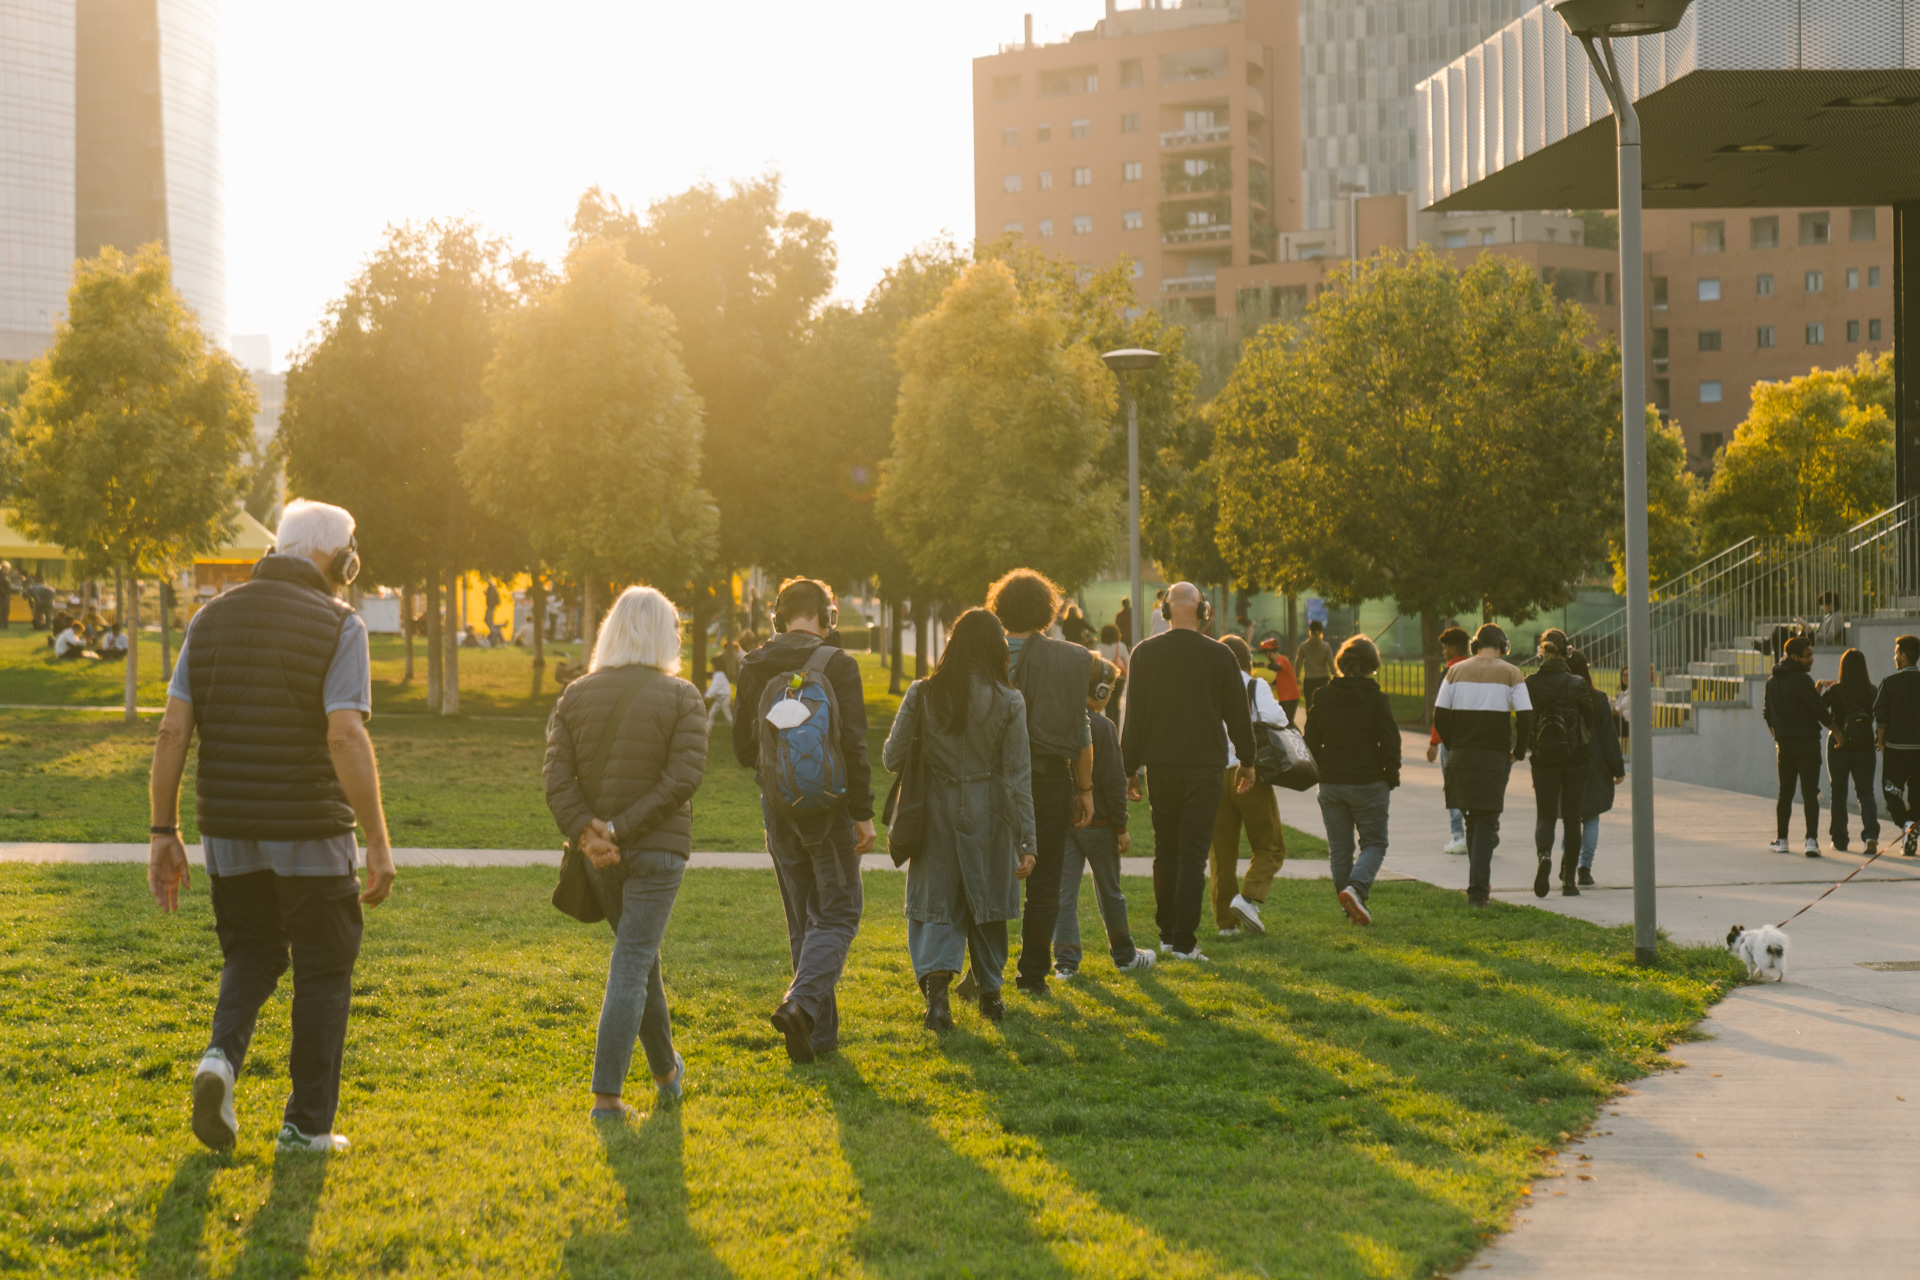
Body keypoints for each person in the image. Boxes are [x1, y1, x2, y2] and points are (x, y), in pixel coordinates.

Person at [145, 499, 395, 1155]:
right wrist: (376, 840)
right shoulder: (341, 624)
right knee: (323, 970)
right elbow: (345, 736)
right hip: (310, 827)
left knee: (252, 952)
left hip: (227, 828)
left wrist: (163, 831)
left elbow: (172, 730)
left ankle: (219, 1060)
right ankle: (305, 1129)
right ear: (340, 560)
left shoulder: (209, 618)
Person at [544, 586, 707, 1119]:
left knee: (639, 959)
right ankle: (607, 1097)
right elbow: (683, 778)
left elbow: (556, 779)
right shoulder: (683, 696)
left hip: (600, 857)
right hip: (658, 850)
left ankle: (666, 1074)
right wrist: (619, 828)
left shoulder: (574, 695)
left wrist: (589, 833)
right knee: (635, 960)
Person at [732, 577, 876, 1063]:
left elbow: (742, 750)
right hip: (830, 808)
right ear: (828, 616)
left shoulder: (753, 665)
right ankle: (801, 1006)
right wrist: (863, 814)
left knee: (802, 922)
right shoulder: (838, 664)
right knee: (838, 912)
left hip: (777, 807)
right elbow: (854, 744)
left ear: (777, 618)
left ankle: (816, 1032)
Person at [883, 608, 1037, 1028]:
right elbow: (1018, 778)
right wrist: (1028, 841)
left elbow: (891, 757)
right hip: (991, 813)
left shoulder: (923, 692)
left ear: (953, 644)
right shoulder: (1011, 700)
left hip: (934, 813)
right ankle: (991, 997)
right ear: (996, 648)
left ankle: (937, 1001)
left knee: (937, 904)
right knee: (987, 904)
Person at [1120, 582, 1257, 961]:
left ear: (1165, 611)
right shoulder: (1221, 654)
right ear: (1203, 611)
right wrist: (1247, 760)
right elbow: (1238, 714)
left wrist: (1129, 768)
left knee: (1166, 851)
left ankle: (1168, 935)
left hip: (1161, 767)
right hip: (1204, 767)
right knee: (1193, 854)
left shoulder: (1144, 653)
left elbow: (1134, 718)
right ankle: (1183, 943)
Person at [983, 569, 1095, 996]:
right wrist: (1085, 789)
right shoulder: (1069, 658)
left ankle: (983, 971)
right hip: (1048, 778)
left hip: (988, 778)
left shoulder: (981, 652)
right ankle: (1033, 976)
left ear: (998, 607)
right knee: (1045, 882)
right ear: (1049, 611)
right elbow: (1081, 730)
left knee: (986, 874)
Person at [1052, 656, 1156, 976]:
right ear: (1099, 690)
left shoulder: (1059, 721)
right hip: (1100, 825)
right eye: (1110, 688)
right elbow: (1113, 781)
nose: (1111, 693)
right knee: (1110, 892)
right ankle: (1125, 955)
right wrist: (1122, 826)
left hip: (1067, 823)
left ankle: (1066, 963)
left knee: (1064, 895)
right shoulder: (1103, 727)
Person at [1433, 624, 1533, 908]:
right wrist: (1518, 752)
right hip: (1494, 756)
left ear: (1475, 646)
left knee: (1472, 818)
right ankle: (1478, 892)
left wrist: (1454, 745)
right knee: (1486, 819)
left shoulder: (1455, 672)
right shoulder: (1512, 673)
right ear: (1504, 646)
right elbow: (1526, 717)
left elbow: (1439, 716)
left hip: (1461, 754)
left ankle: (1477, 885)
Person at [1304, 635, 1401, 925]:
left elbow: (1310, 740)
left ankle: (1349, 909)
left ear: (1341, 663)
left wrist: (1321, 770)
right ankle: (1356, 889)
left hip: (1331, 782)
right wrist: (1391, 776)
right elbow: (1390, 741)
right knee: (1375, 843)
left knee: (1340, 850)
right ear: (1373, 665)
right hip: (1368, 780)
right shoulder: (1376, 699)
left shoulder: (1322, 696)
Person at [1210, 635, 1288, 938]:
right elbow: (1276, 717)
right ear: (1248, 662)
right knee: (1270, 845)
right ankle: (1248, 897)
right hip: (1248, 772)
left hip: (1215, 776)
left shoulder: (1208, 688)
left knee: (1221, 853)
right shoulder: (1254, 685)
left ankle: (1225, 923)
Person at [1524, 629, 1595, 898]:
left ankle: (1544, 855)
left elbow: (1524, 720)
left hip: (1544, 757)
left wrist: (1530, 748)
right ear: (1567, 652)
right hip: (1576, 756)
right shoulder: (1577, 683)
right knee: (1573, 818)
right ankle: (1569, 880)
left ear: (1541, 653)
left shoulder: (1531, 683)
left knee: (1545, 815)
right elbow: (1589, 717)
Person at [1763, 633, 1827, 857]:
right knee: (1810, 793)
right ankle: (1811, 841)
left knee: (1785, 794)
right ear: (1793, 656)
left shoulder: (1772, 681)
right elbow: (1817, 710)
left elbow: (1767, 715)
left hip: (1785, 745)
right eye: (1807, 655)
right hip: (1808, 744)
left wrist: (1778, 737)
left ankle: (1782, 840)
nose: (1811, 659)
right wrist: (1838, 732)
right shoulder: (1802, 680)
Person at [1566, 650, 1625, 887]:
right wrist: (1617, 768)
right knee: (1591, 819)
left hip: (1567, 762)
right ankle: (1585, 868)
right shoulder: (1598, 698)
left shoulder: (1560, 697)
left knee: (1570, 819)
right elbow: (1609, 737)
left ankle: (1567, 864)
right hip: (1595, 763)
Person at [1821, 647, 1880, 855]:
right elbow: (1876, 715)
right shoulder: (1871, 690)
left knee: (1838, 793)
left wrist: (1818, 687)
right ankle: (1870, 836)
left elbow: (1817, 709)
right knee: (1866, 792)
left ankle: (1839, 840)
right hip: (1864, 744)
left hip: (1839, 744)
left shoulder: (1835, 690)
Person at [1424, 626, 1471, 855]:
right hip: (1474, 736)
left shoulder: (1449, 673)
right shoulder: (1476, 670)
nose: (1443, 652)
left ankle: (1458, 836)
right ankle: (1481, 830)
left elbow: (1441, 712)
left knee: (1452, 786)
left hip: (1451, 739)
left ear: (1453, 648)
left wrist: (1434, 741)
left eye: (1444, 648)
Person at [1875, 634, 1920, 857]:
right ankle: (1911, 825)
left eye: (1896, 654)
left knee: (1891, 791)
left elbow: (1881, 716)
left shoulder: (1890, 682)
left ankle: (1906, 825)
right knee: (1918, 795)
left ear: (1903, 656)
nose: (1894, 658)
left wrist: (1880, 740)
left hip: (1896, 750)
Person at [1095, 624, 1130, 726]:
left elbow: (1096, 664)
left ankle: (1110, 727)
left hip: (1104, 679)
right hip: (1119, 679)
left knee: (1108, 705)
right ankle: (1116, 728)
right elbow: (1128, 662)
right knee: (1116, 704)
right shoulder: (1121, 646)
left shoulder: (1099, 647)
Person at [1296, 619, 1334, 711]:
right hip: (1324, 680)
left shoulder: (1303, 647)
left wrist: (1297, 676)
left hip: (1309, 681)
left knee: (1310, 707)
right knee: (1324, 707)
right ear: (1321, 632)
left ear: (1310, 631)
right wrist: (1336, 676)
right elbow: (1331, 665)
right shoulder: (1326, 647)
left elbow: (1298, 664)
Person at [1261, 641, 1302, 726]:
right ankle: (1297, 734)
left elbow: (1276, 667)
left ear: (1270, 652)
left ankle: (1297, 735)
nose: (1265, 656)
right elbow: (1278, 680)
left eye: (1265, 653)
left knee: (1286, 722)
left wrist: (1261, 665)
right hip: (1287, 697)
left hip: (1290, 697)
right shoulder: (1280, 661)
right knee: (1287, 722)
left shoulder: (1281, 660)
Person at [704, 663, 733, 729]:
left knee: (727, 717)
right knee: (711, 714)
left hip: (722, 698)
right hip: (722, 698)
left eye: (713, 665)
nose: (712, 666)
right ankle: (707, 731)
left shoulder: (719, 675)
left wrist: (707, 696)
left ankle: (739, 729)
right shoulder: (720, 675)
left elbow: (715, 687)